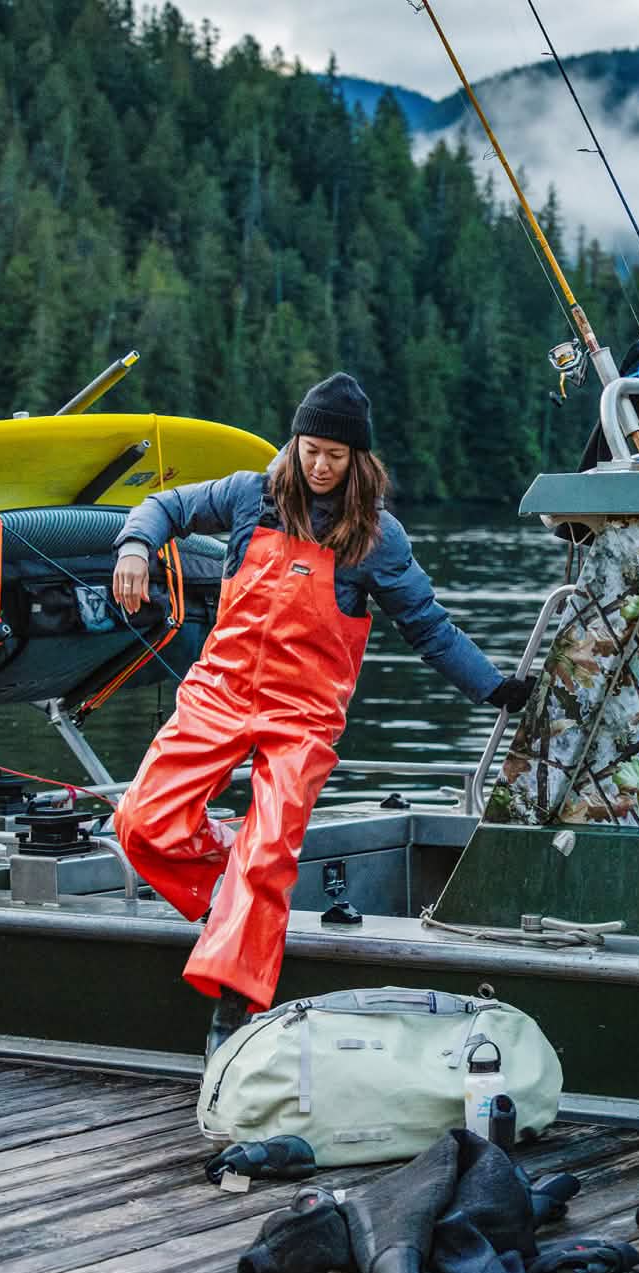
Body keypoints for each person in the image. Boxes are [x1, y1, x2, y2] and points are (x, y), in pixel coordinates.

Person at [111, 373, 535, 1057]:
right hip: (217, 691)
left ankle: (234, 1013)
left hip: (301, 717)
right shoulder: (250, 493)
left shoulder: (377, 538)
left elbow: (428, 628)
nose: (319, 464)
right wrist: (134, 548)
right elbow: (162, 508)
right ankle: (231, 880)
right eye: (310, 448)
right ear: (296, 441)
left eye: (335, 454)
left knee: (269, 848)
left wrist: (491, 688)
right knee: (138, 823)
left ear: (358, 461)